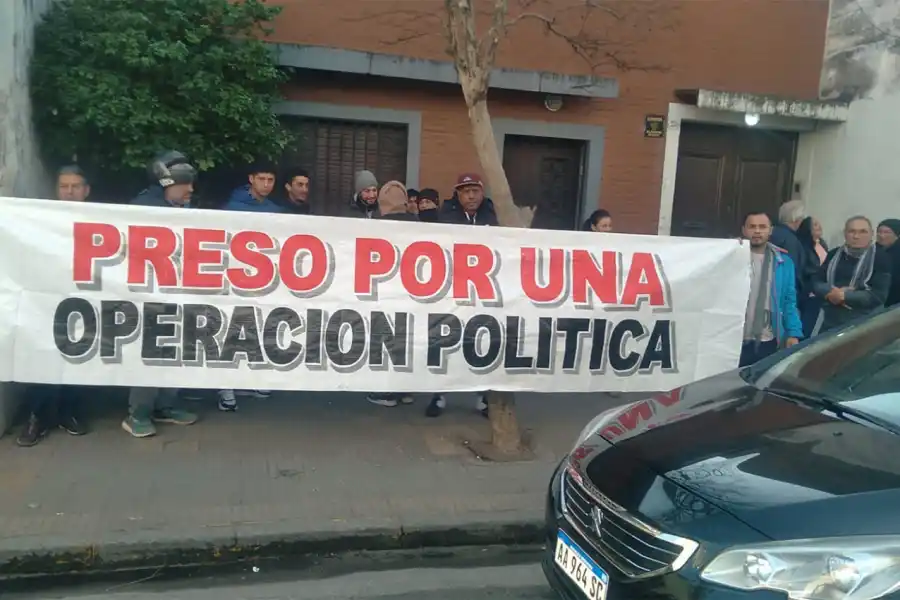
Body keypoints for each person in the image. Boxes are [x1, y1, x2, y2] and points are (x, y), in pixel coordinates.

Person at [123, 151, 200, 438]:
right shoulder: (144, 207)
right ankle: (137, 414)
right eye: (185, 184)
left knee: (174, 351)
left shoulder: (182, 207)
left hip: (177, 291)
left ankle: (165, 406)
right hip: (151, 293)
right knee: (152, 353)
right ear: (168, 183)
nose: (191, 189)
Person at [16, 166, 93, 447]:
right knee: (43, 357)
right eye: (64, 186)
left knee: (77, 356)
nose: (69, 192)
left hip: (83, 299)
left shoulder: (100, 219)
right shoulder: (40, 218)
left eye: (75, 186)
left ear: (86, 191)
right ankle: (37, 416)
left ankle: (70, 412)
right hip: (45, 299)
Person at [217, 161, 282, 411]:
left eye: (270, 180)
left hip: (263, 280)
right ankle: (225, 387)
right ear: (251, 179)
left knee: (255, 329)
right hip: (234, 278)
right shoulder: (231, 208)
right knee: (231, 330)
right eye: (262, 179)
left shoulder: (276, 210)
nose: (266, 184)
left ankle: (251, 379)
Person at [433, 173, 498, 418]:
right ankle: (438, 395)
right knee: (446, 343)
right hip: (452, 292)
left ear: (482, 193)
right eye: (465, 191)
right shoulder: (446, 216)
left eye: (475, 191)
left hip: (483, 293)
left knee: (480, 345)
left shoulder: (492, 215)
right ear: (457, 194)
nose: (471, 196)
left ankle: (482, 397)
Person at [366, 181, 417, 408]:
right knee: (407, 339)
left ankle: (386, 392)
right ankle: (405, 390)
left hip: (386, 292)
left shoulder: (378, 226)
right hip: (411, 293)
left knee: (386, 340)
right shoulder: (420, 226)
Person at [738, 212, 802, 366]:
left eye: (762, 227)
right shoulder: (733, 256)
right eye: (752, 227)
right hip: (735, 337)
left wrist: (793, 332)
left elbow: (789, 300)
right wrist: (732, 248)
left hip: (767, 338)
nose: (757, 231)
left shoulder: (784, 262)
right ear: (744, 230)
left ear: (770, 230)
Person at [812, 215, 892, 334]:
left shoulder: (881, 258)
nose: (856, 236)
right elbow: (816, 282)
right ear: (845, 233)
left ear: (871, 234)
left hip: (864, 324)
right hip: (831, 322)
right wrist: (830, 293)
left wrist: (845, 296)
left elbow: (878, 295)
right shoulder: (834, 254)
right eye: (852, 231)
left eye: (862, 232)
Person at [795, 216, 828, 337]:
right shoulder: (803, 246)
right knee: (806, 325)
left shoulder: (822, 243)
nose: (819, 226)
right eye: (814, 225)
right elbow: (804, 268)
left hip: (822, 288)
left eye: (819, 223)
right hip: (810, 290)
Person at [876, 218, 900, 306]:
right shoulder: (873, 251)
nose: (881, 235)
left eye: (887, 232)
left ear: (897, 235)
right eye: (879, 232)